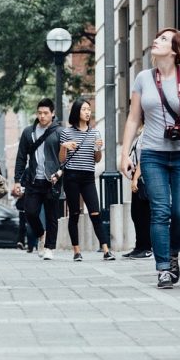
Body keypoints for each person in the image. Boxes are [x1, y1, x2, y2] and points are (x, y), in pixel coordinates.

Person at [120, 28, 180, 289]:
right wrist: (124, 153)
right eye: (157, 37)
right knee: (160, 211)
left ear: (176, 50)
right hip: (153, 154)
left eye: (164, 39)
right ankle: (163, 269)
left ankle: (172, 253)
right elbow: (134, 118)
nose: (156, 40)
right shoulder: (143, 78)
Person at [58, 99, 114, 261]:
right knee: (74, 213)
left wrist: (98, 148)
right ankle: (76, 251)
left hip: (88, 177)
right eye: (84, 109)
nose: (87, 112)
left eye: (89, 109)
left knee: (95, 212)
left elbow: (96, 159)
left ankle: (106, 250)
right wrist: (64, 146)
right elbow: (62, 160)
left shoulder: (95, 133)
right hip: (72, 177)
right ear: (77, 112)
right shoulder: (66, 133)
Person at [12, 98, 63, 261]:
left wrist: (59, 173)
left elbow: (66, 158)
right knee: (30, 212)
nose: (42, 116)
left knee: (51, 215)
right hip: (33, 180)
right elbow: (21, 157)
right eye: (39, 113)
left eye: (46, 113)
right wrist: (17, 180)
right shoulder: (29, 132)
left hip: (52, 180)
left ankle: (49, 247)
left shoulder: (60, 132)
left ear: (53, 113)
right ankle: (41, 234)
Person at [122, 127, 153, 259]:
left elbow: (145, 155)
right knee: (136, 213)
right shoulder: (142, 131)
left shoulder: (150, 130)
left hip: (145, 176)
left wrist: (135, 178)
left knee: (144, 214)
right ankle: (139, 246)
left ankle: (147, 248)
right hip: (138, 175)